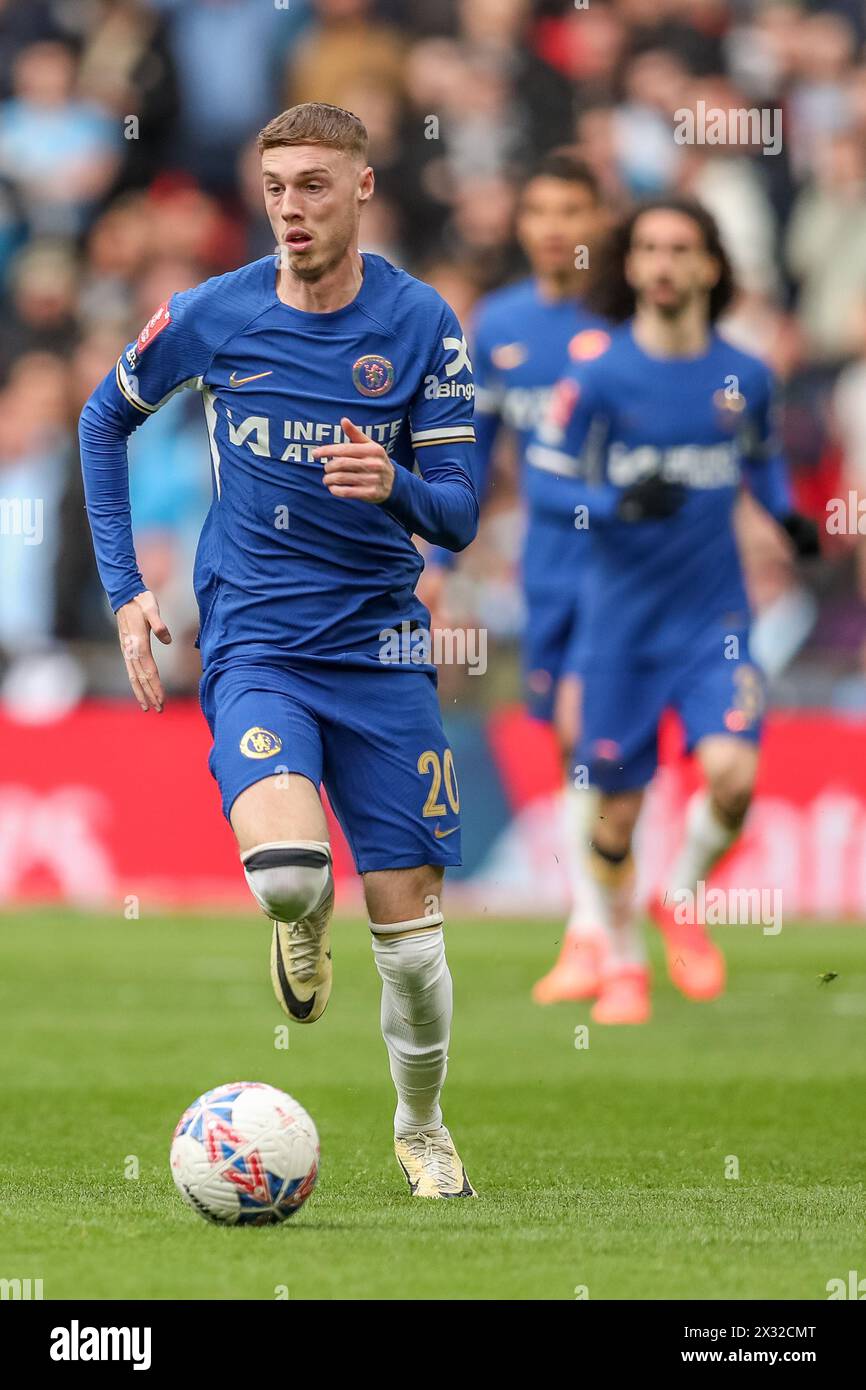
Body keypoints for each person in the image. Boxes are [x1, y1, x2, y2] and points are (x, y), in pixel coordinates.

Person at [79, 103, 479, 1199]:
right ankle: (301, 926)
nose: (291, 208)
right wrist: (127, 591)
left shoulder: (422, 324)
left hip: (383, 651)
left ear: (361, 188)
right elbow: (100, 419)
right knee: (292, 877)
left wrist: (390, 483)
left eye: (313, 185)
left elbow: (457, 511)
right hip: (256, 640)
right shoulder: (214, 314)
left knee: (413, 947)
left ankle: (420, 1121)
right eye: (275, 188)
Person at [527, 197, 818, 1024]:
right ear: (631, 266)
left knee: (733, 776)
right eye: (648, 248)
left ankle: (680, 894)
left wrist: (787, 516)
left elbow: (760, 462)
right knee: (613, 818)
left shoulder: (745, 375)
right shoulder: (598, 373)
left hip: (713, 617)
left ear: (709, 267)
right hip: (620, 624)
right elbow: (546, 481)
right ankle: (621, 963)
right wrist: (616, 499)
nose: (661, 263)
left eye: (679, 249)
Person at [421, 149, 614, 1005]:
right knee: (581, 743)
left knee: (597, 732)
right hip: (550, 565)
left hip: (637, 564)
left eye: (571, 211)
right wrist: (432, 559)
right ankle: (604, 928)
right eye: (538, 211)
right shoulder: (497, 326)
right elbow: (471, 457)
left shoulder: (634, 318)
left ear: (599, 223)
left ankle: (607, 928)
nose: (553, 229)